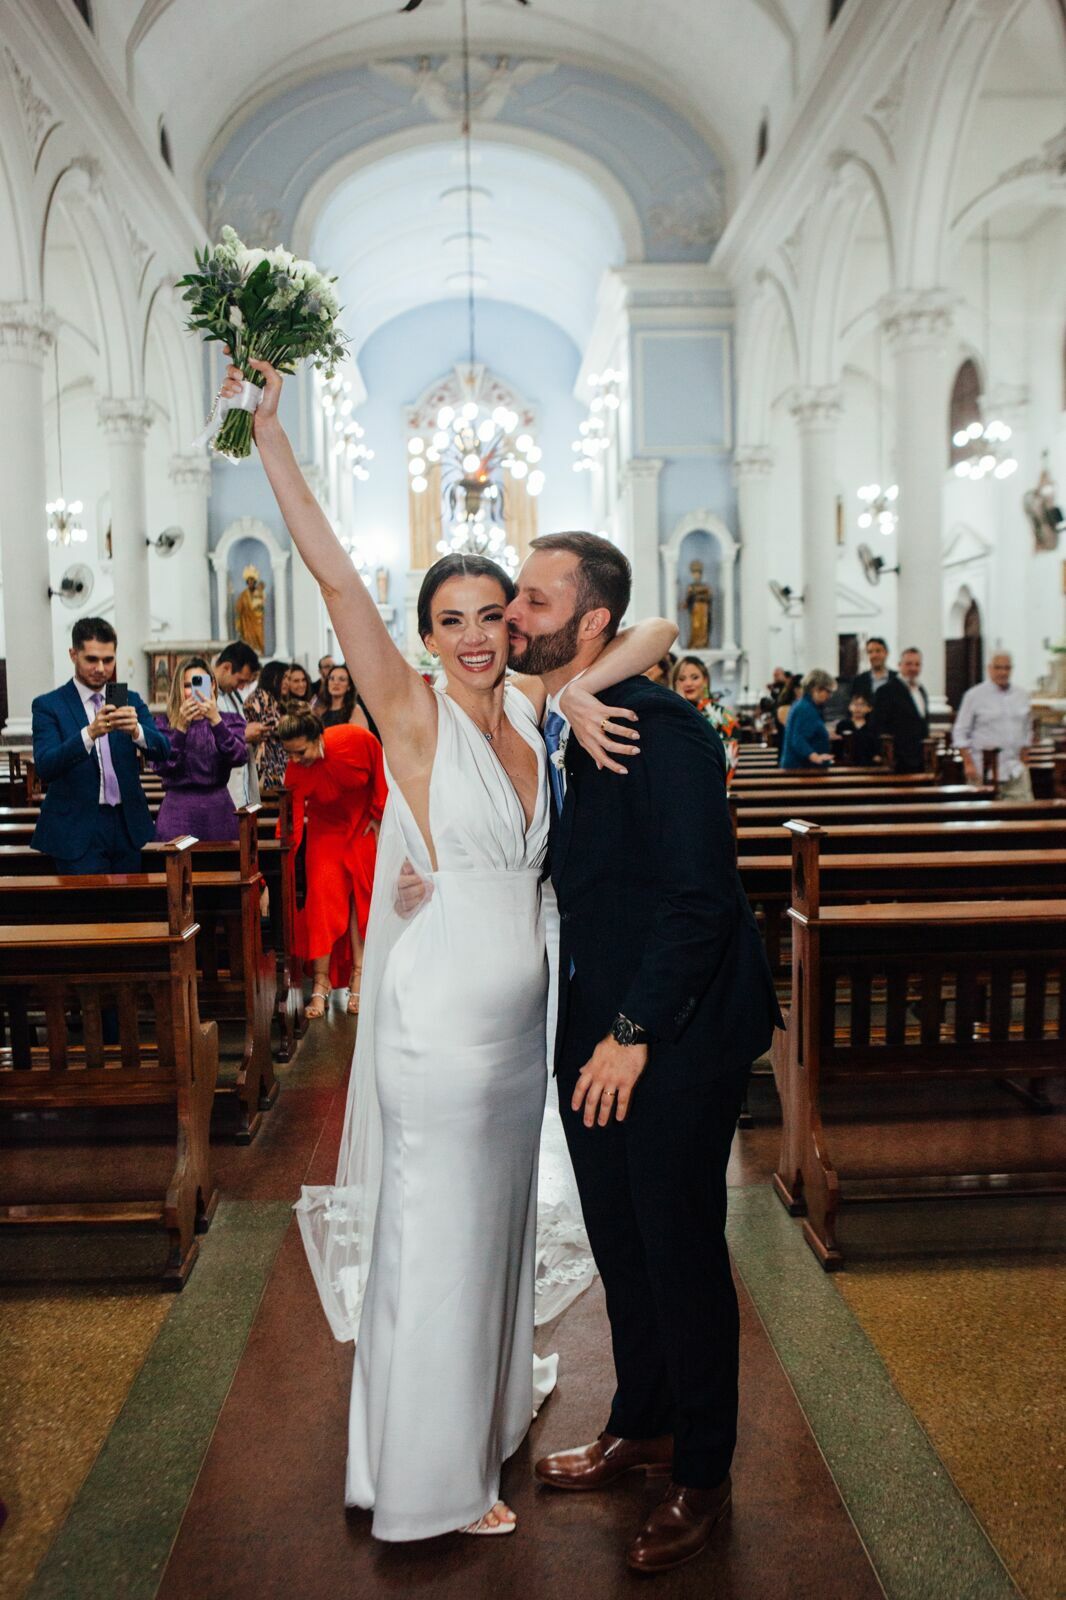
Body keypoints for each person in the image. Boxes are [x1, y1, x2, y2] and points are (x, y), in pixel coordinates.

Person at [225, 352, 677, 1543]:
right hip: (435, 1031)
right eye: (451, 621)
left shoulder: (535, 712)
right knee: (431, 1241)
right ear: (422, 635)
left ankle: (468, 1429)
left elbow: (665, 621)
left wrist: (586, 690)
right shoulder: (415, 716)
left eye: (493, 616)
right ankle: (424, 1486)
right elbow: (328, 579)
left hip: (518, 1031)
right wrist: (273, 436)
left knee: (493, 1237)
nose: (477, 637)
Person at [505, 534, 781, 1576]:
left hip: (676, 1029)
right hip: (596, 1026)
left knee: (681, 1253)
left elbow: (699, 901)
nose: (512, 615)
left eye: (532, 599)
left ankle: (701, 1473)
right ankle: (642, 1420)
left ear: (588, 624)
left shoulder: (658, 730)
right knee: (621, 1244)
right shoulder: (562, 717)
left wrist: (633, 1035)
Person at [31, 617, 170, 872]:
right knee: (86, 909)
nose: (101, 668)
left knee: (132, 908)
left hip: (127, 824)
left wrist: (137, 731)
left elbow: (164, 750)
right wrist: (89, 734)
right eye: (92, 659)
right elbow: (45, 766)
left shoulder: (129, 699)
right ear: (73, 654)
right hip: (77, 827)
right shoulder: (49, 705)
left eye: (108, 660)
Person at [281, 708, 386, 1018]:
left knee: (362, 899)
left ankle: (360, 976)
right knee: (322, 904)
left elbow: (381, 770)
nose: (296, 759)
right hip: (325, 832)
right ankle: (320, 984)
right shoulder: (295, 769)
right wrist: (285, 857)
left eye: (301, 751)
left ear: (318, 737)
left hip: (361, 823)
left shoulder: (354, 739)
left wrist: (379, 817)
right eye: (290, 753)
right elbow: (292, 819)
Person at [151, 658, 248, 842]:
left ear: (212, 685)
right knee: (175, 868)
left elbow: (239, 756)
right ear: (178, 689)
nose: (194, 692)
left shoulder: (229, 720)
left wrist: (215, 721)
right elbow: (161, 766)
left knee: (224, 869)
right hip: (178, 812)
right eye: (188, 685)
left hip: (218, 810)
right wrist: (180, 727)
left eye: (200, 684)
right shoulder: (163, 723)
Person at [953, 652, 1033, 799]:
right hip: (982, 769)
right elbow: (960, 732)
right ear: (989, 669)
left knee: (1023, 814)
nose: (1002, 672)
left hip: (1015, 770)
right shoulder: (974, 695)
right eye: (998, 668)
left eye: (1006, 668)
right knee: (984, 816)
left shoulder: (1022, 695)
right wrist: (968, 763)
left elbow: (1027, 730)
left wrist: (1023, 760)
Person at [671, 656, 739, 779]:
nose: (688, 683)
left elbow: (729, 759)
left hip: (713, 782)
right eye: (681, 679)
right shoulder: (668, 715)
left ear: (705, 680)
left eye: (695, 677)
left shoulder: (724, 716)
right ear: (675, 684)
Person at [214, 641, 261, 808]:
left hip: (242, 791)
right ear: (226, 667)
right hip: (221, 792)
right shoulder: (202, 688)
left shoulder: (232, 694)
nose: (241, 687)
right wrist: (243, 735)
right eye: (240, 680)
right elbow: (200, 738)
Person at [870, 646, 930, 772]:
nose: (913, 668)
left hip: (920, 758)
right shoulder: (886, 691)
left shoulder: (921, 690)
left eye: (917, 664)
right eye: (908, 664)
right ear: (899, 665)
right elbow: (877, 725)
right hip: (898, 759)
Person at [780, 669, 836, 769]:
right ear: (816, 689)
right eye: (828, 691)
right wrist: (816, 757)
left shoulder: (806, 706)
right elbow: (798, 739)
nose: (829, 696)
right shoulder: (805, 708)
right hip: (802, 770)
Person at [246, 659, 287, 790]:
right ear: (274, 676)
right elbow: (268, 725)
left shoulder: (273, 699)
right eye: (285, 677)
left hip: (275, 759)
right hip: (265, 761)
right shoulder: (260, 696)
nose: (288, 682)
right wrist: (293, 721)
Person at [313, 661, 370, 731]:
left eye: (342, 679)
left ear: (349, 686)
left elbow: (362, 738)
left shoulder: (354, 710)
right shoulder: (320, 709)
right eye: (332, 679)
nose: (336, 683)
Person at [834, 691, 880, 765]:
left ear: (869, 708)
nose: (858, 708)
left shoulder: (873, 726)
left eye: (862, 705)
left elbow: (877, 748)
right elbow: (837, 747)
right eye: (855, 704)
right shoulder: (843, 725)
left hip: (869, 765)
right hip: (845, 764)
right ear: (849, 707)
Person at [851, 636, 896, 703]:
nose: (874, 655)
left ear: (886, 653)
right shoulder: (859, 681)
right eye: (870, 652)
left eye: (878, 651)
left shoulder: (897, 679)